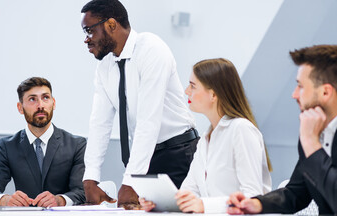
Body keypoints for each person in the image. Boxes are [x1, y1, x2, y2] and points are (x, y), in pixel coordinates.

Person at [80, 0, 198, 207]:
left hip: (178, 153)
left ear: (111, 24)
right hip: (145, 158)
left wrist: (130, 180)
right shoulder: (105, 66)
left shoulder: (151, 49)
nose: (86, 38)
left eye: (89, 30)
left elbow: (148, 121)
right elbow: (99, 123)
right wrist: (90, 177)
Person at [140, 58, 272, 213]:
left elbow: (252, 197)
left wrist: (204, 205)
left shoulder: (241, 130)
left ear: (213, 95)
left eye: (193, 86)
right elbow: (189, 191)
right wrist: (160, 203)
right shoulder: (206, 139)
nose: (186, 91)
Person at [228, 45, 337, 214]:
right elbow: (296, 193)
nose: (294, 94)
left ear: (325, 92)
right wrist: (258, 204)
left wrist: (311, 144)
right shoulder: (313, 133)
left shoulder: (310, 138)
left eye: (300, 86)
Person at [0, 77, 86, 207]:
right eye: (32, 99)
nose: (40, 105)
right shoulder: (7, 146)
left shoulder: (76, 145)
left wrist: (60, 200)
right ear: (20, 107)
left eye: (45, 98)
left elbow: (82, 192)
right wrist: (4, 200)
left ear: (53, 103)